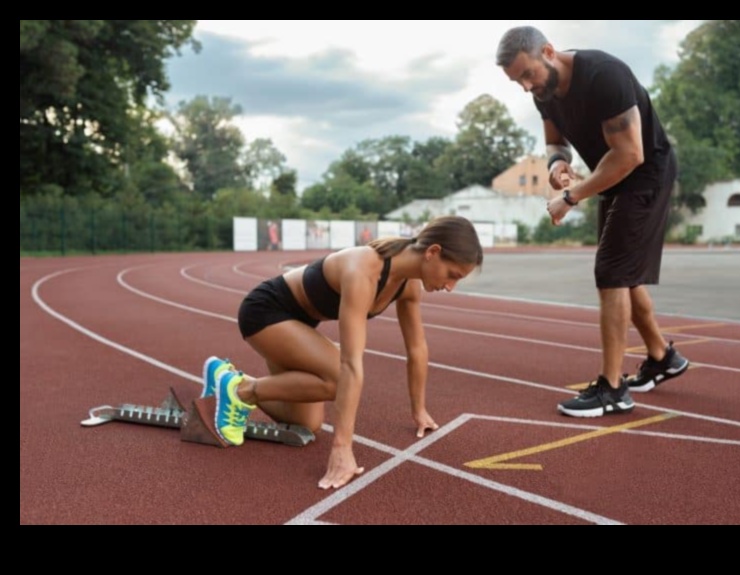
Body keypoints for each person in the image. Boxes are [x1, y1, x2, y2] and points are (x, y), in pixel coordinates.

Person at [204, 215, 483, 489]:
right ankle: (239, 393)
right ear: (433, 252)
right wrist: (342, 447)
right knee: (339, 377)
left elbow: (417, 349)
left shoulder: (408, 285)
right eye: (452, 275)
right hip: (266, 312)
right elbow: (351, 364)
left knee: (307, 424)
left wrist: (419, 410)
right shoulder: (364, 268)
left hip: (300, 324)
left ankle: (231, 379)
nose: (450, 286)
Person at [495, 25, 689, 418]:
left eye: (527, 74)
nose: (526, 86)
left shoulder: (604, 75)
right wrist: (558, 164)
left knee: (612, 272)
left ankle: (614, 389)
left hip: (645, 173)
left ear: (548, 52)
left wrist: (570, 196)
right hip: (613, 178)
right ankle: (662, 357)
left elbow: (631, 153)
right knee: (624, 275)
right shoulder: (544, 93)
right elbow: (554, 140)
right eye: (517, 81)